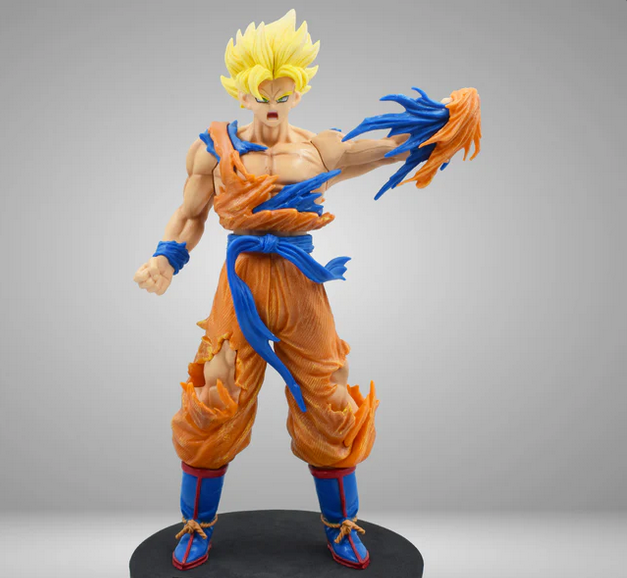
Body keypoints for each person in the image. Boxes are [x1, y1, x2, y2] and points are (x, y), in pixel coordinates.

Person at [133, 9, 481, 571]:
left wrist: (443, 119)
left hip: (301, 285)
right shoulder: (212, 149)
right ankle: (196, 525)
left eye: (283, 89)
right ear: (241, 91)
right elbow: (190, 214)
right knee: (215, 397)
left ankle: (342, 524)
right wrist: (165, 258)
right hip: (240, 281)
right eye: (261, 90)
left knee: (330, 399)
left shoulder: (320, 150)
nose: (272, 100)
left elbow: (388, 148)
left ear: (298, 90)